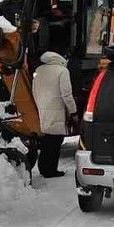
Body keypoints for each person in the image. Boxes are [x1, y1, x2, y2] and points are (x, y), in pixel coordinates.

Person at [31, 50, 76, 178]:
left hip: (42, 108)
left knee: (46, 141)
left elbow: (34, 90)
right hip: (57, 110)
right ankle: (51, 171)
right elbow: (66, 94)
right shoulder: (62, 71)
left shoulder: (39, 70)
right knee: (55, 142)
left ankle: (43, 168)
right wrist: (73, 111)